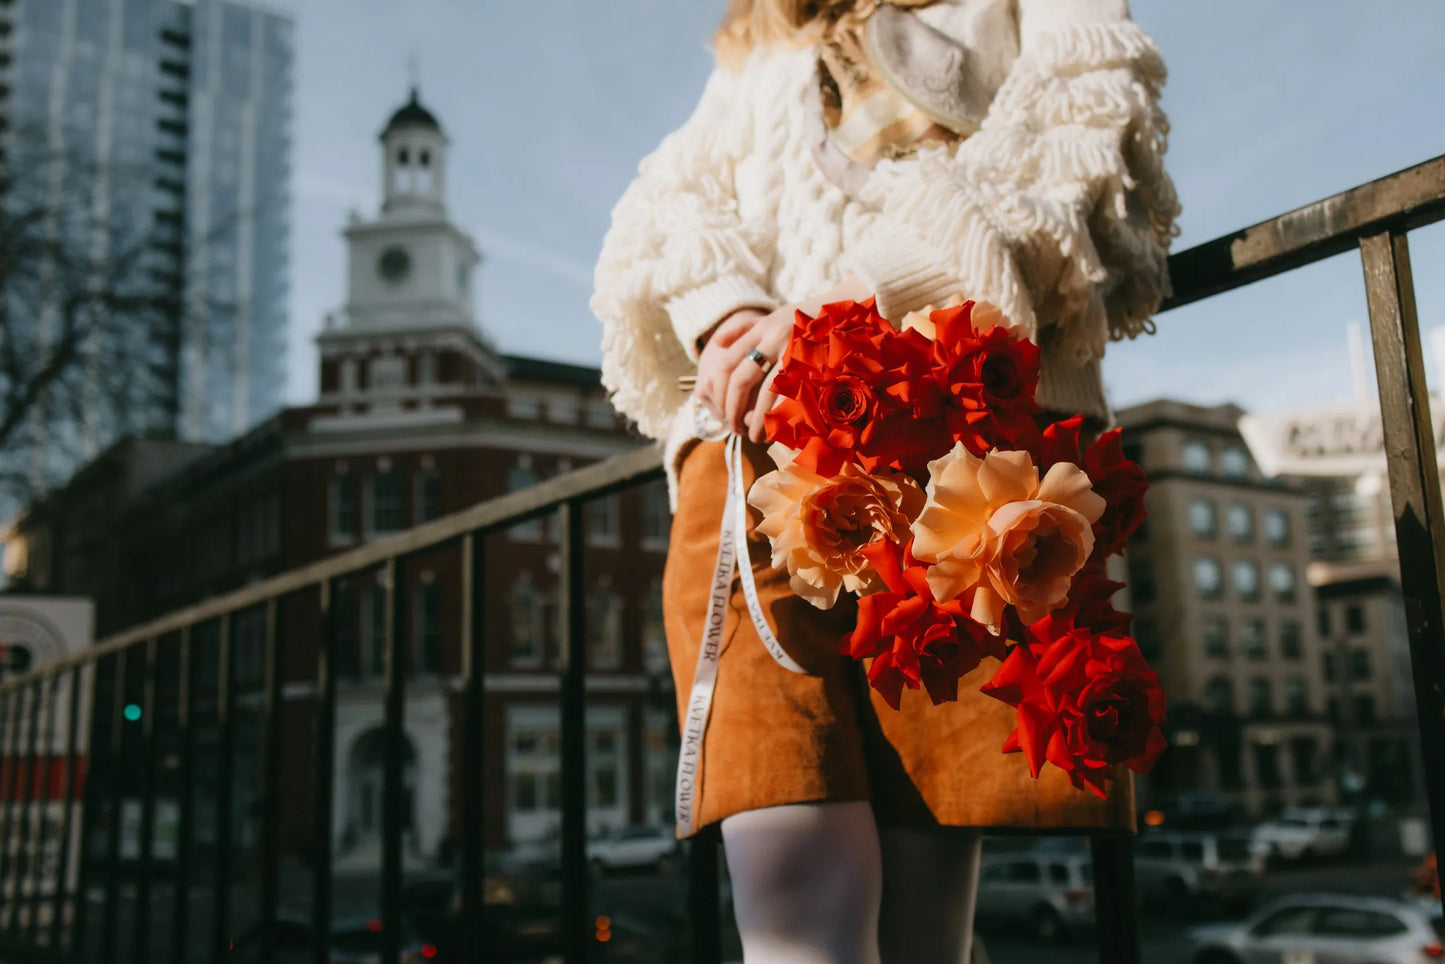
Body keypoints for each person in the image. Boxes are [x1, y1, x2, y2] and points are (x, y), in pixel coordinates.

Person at [591, 2, 1179, 961]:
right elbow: (665, 206)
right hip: (754, 458)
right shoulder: (763, 42)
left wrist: (842, 305)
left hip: (956, 441)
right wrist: (729, 314)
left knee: (923, 916)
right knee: (788, 892)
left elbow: (1070, 158)